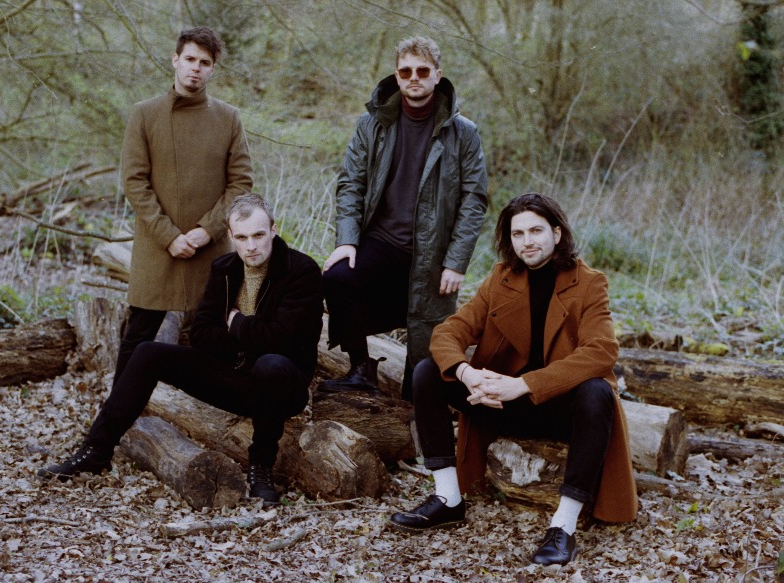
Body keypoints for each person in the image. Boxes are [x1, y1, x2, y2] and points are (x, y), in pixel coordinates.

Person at [389, 193, 638, 566]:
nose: (527, 242)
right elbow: (448, 333)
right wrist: (468, 374)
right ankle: (448, 498)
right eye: (518, 234)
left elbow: (602, 350)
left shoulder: (588, 282)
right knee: (428, 371)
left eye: (536, 231)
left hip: (558, 409)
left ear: (557, 233)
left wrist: (523, 384)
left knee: (597, 391)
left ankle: (564, 526)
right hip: (500, 403)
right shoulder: (501, 278)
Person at [38, 194, 323, 507]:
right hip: (233, 378)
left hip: (283, 389)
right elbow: (200, 334)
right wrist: (250, 336)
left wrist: (237, 323)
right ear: (230, 236)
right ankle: (96, 451)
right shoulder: (225, 269)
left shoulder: (302, 270)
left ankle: (261, 469)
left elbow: (282, 340)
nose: (251, 246)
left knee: (271, 364)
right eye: (242, 238)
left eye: (258, 235)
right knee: (148, 352)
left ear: (273, 230)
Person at [319, 36, 488, 399]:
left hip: (432, 253)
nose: (414, 77)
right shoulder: (371, 124)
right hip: (381, 242)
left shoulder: (464, 133)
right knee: (337, 277)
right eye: (406, 71)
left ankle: (418, 404)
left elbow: (474, 202)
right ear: (396, 76)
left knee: (422, 372)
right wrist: (347, 241)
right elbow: (350, 185)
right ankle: (360, 370)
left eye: (422, 71)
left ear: (437, 76)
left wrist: (455, 262)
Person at [115, 26, 252, 387]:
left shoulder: (228, 117)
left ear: (213, 69)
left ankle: (208, 407)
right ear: (175, 60)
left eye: (204, 63)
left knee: (213, 335)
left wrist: (208, 230)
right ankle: (118, 409)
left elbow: (240, 183)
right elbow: (134, 181)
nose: (196, 68)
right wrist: (169, 236)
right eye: (190, 59)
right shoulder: (144, 114)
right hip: (157, 247)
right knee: (137, 335)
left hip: (211, 250)